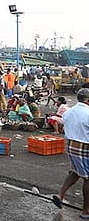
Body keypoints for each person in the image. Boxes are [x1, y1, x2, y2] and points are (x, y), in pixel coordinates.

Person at [52, 88, 89, 219]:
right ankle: (86, 210)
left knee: (75, 171)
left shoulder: (68, 112)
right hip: (85, 147)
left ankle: (60, 194)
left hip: (71, 146)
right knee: (87, 178)